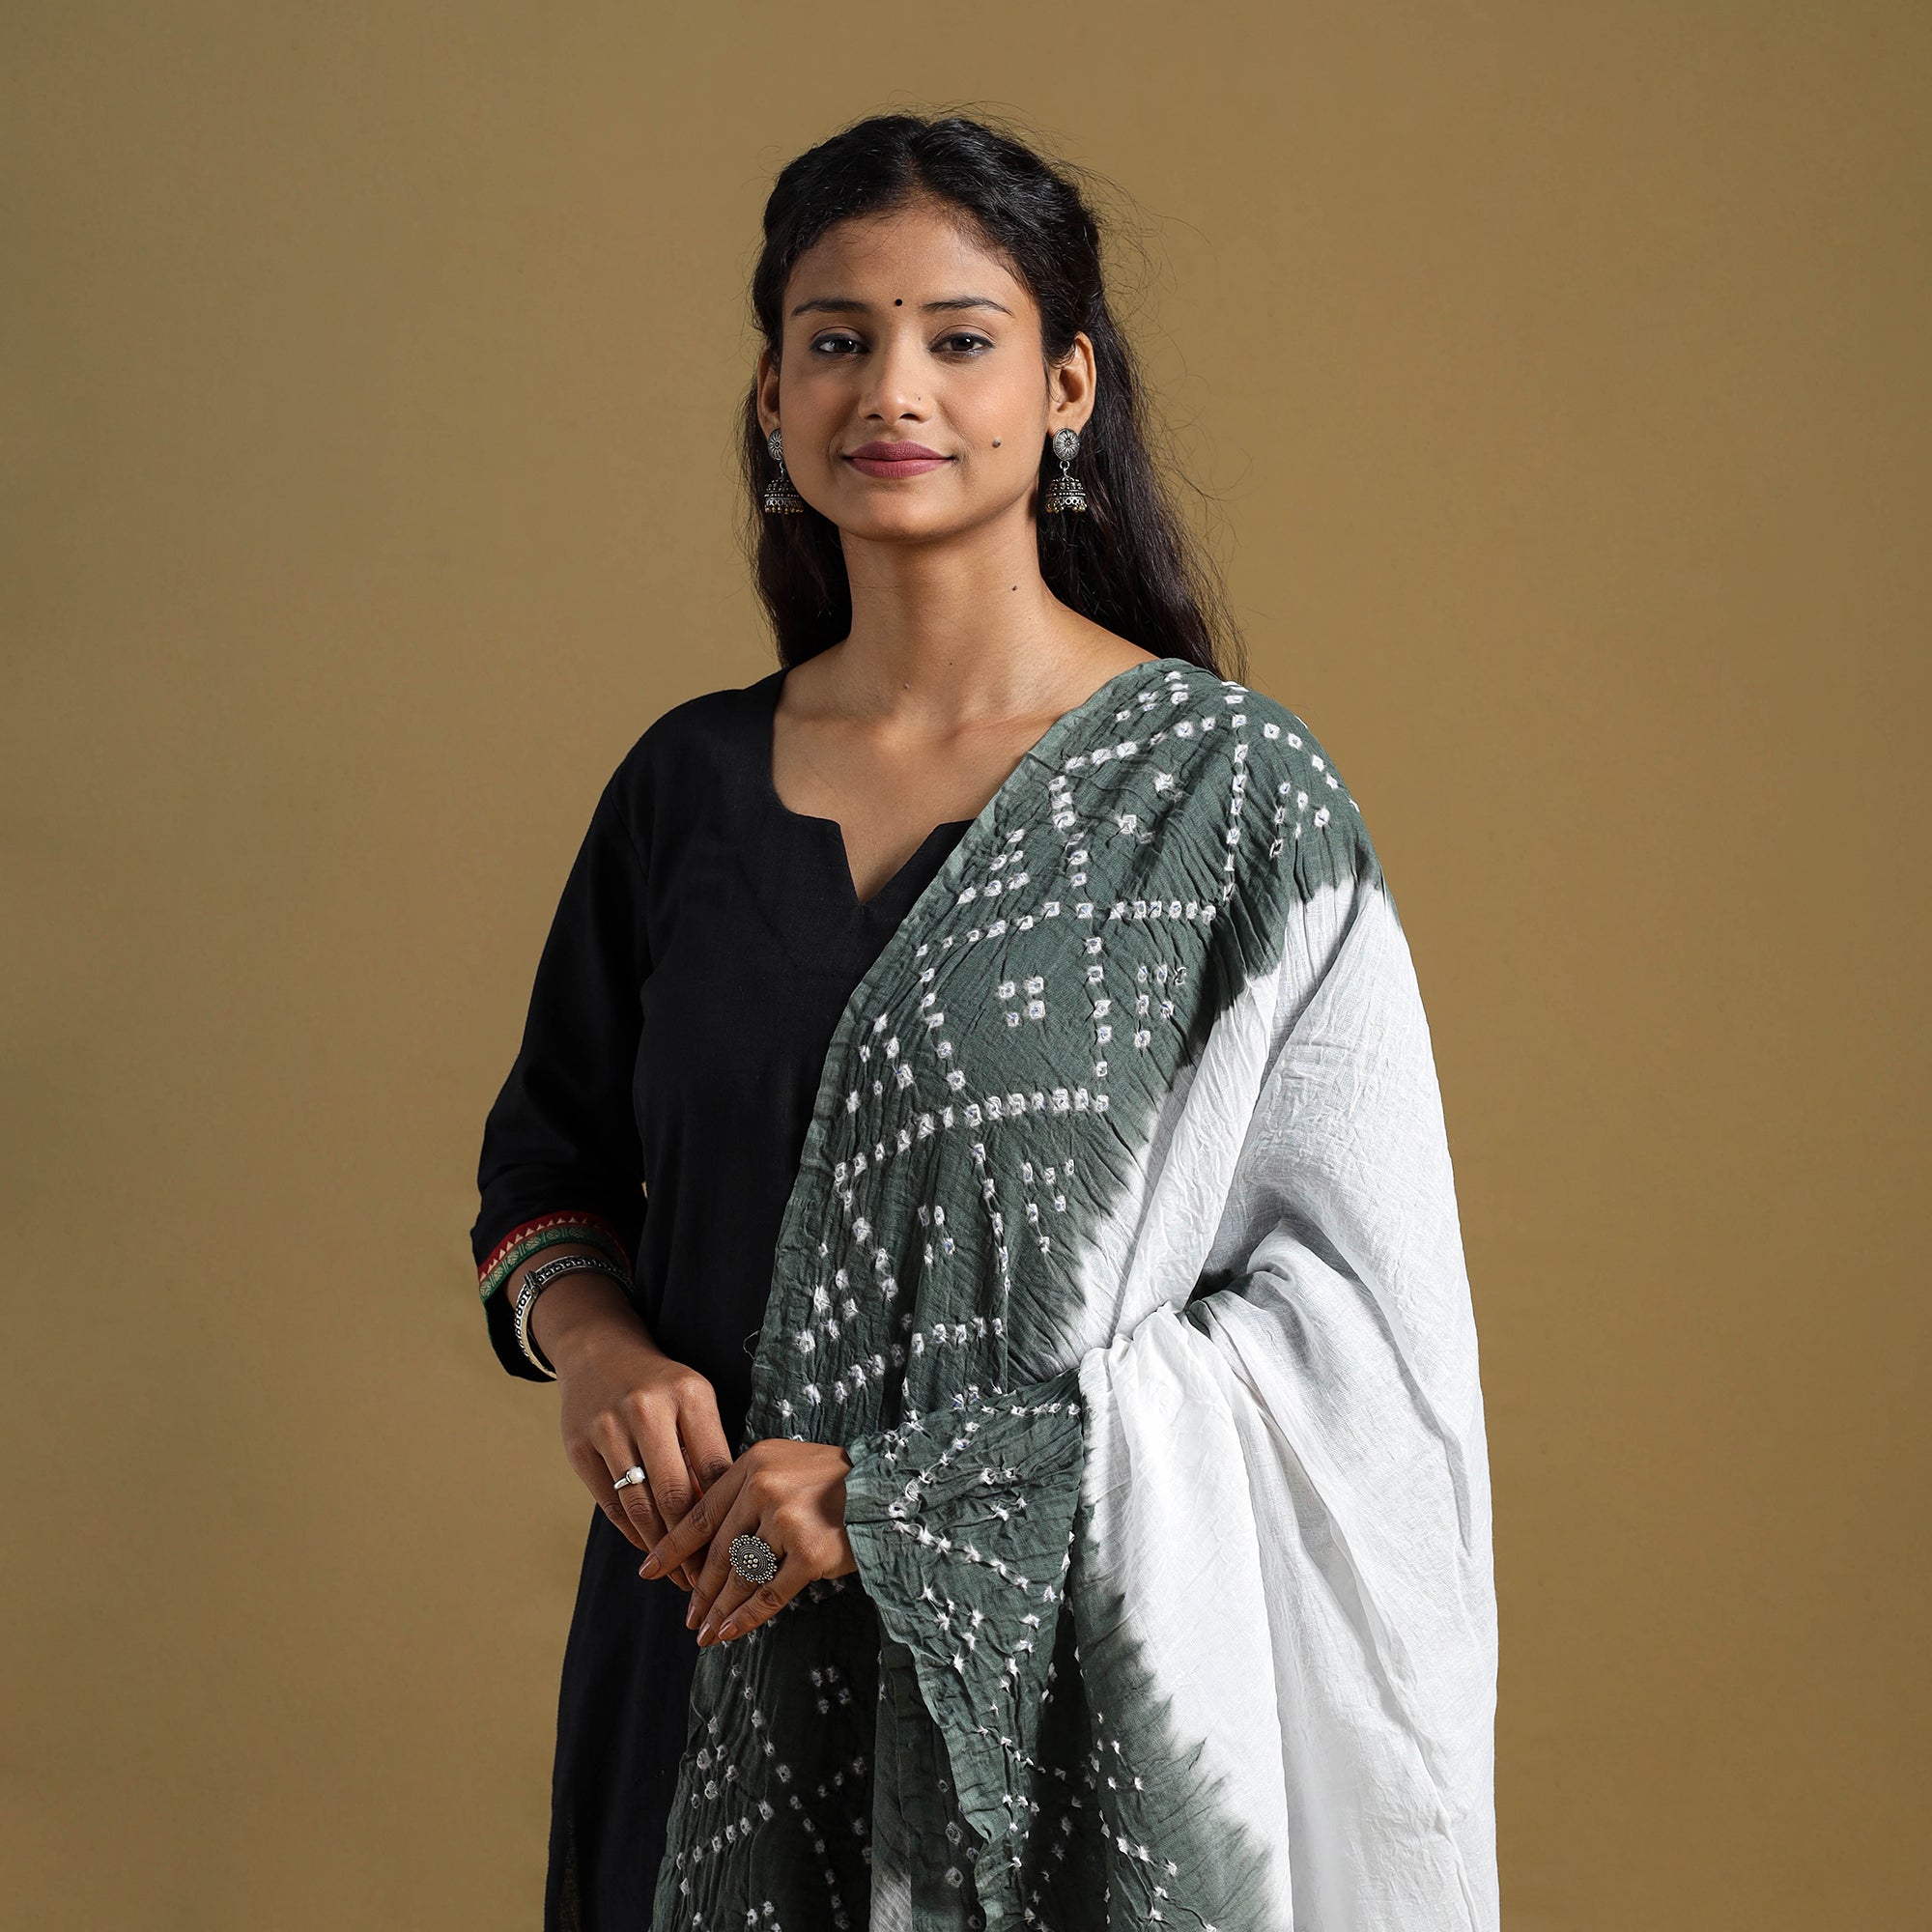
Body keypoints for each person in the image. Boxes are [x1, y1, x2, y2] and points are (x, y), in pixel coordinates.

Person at [472, 111, 1498, 1932]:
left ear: (1066, 387)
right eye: (835, 339)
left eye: (961, 338)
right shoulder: (685, 791)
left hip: (1050, 1707)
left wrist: (905, 1499)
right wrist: (601, 1354)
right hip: (695, 1662)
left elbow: (1352, 1330)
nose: (894, 389)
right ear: (774, 396)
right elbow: (548, 1178)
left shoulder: (1228, 808)